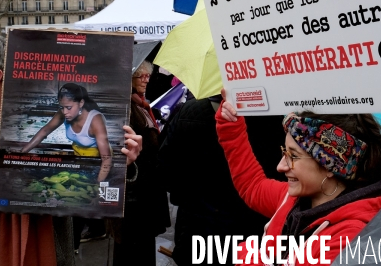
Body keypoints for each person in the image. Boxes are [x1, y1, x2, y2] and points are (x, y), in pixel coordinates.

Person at [0, 34, 142, 266]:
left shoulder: (90, 122)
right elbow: (41, 133)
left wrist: (123, 166)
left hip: (33, 251)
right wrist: (23, 149)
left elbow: (96, 181)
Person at [217, 89, 381, 264]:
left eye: (293, 156)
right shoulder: (298, 199)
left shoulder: (350, 240)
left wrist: (251, 256)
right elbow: (253, 186)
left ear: (330, 165)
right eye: (284, 152)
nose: (281, 166)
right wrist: (230, 126)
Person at [158, 94, 286, 265]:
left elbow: (167, 171)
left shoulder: (188, 111)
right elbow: (280, 176)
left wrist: (188, 199)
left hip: (196, 226)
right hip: (249, 228)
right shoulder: (273, 117)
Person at [108, 60, 171, 266]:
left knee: (144, 250)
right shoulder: (125, 107)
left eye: (148, 76)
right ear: (129, 79)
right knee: (134, 253)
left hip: (146, 192)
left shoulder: (141, 104)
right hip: (134, 198)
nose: (146, 80)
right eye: (141, 76)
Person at [21, 83, 112, 181]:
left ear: (81, 103)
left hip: (98, 165)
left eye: (69, 108)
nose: (64, 112)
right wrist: (22, 153)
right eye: (62, 107)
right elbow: (45, 130)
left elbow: (107, 160)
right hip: (79, 161)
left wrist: (97, 186)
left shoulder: (95, 120)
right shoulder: (64, 112)